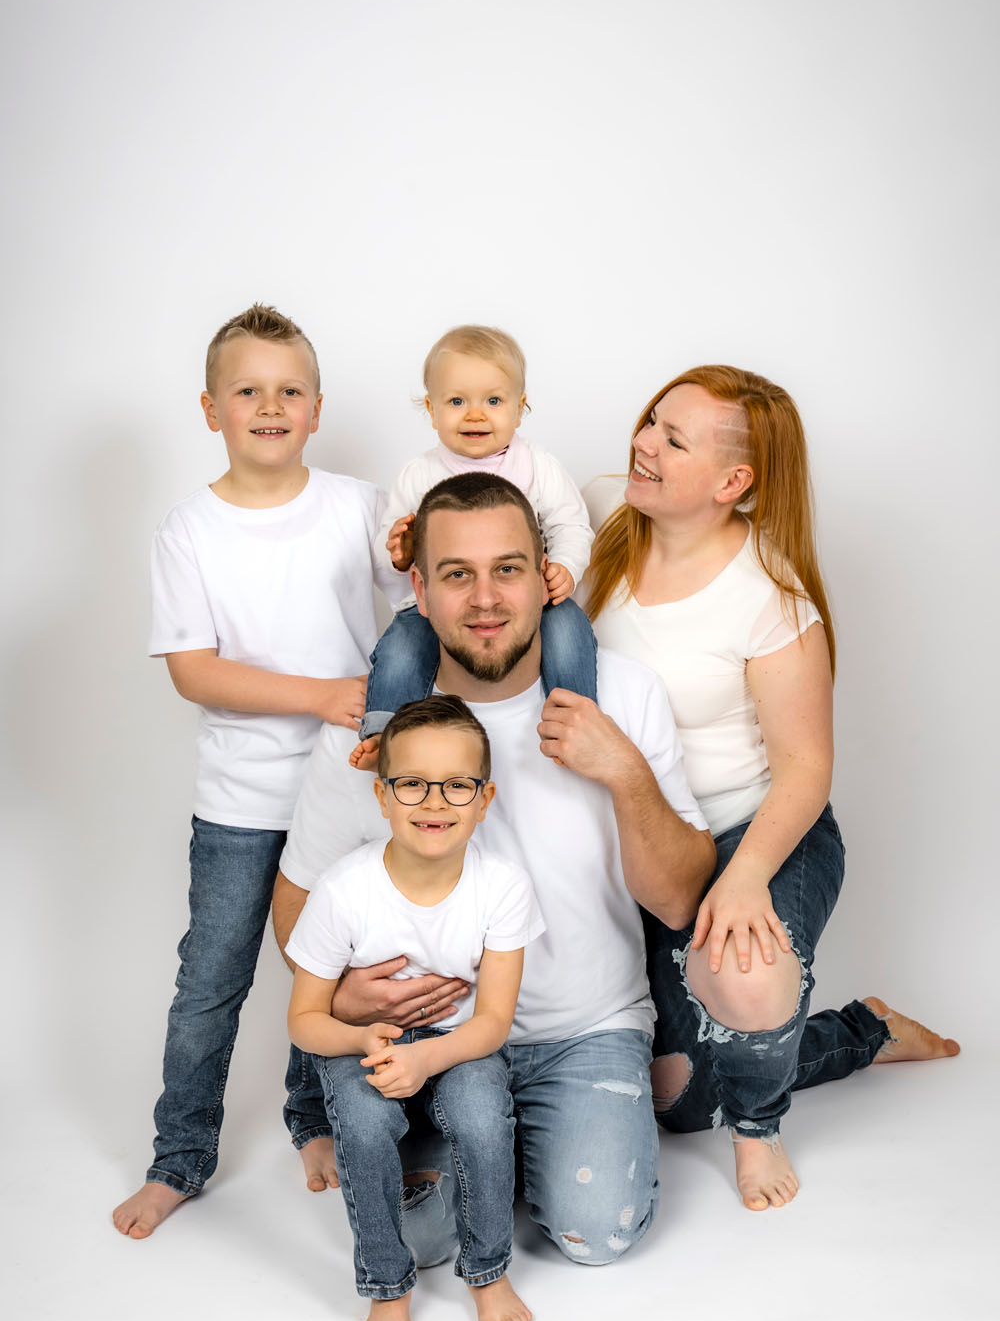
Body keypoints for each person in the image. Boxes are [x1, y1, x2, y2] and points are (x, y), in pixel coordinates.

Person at [270, 471, 717, 1265]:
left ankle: (524, 1146)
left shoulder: (621, 692)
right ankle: (486, 1150)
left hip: (584, 1030)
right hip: (431, 1041)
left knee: (597, 1233)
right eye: (456, 574)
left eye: (507, 569)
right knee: (416, 1241)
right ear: (419, 589)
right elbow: (297, 898)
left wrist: (623, 771)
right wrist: (340, 996)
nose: (485, 598)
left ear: (545, 575)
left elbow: (681, 902)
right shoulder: (373, 735)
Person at [584, 364, 960, 1212]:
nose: (642, 443)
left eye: (672, 439)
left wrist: (747, 875)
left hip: (753, 833)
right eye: (651, 420)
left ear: (732, 483)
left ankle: (765, 1122)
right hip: (644, 845)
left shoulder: (769, 596)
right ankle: (854, 1031)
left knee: (742, 988)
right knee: (673, 1099)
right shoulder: (603, 516)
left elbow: (805, 768)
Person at [112, 304, 406, 1240]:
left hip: (350, 790)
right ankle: (179, 1158)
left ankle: (312, 1119)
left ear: (318, 408)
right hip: (241, 801)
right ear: (211, 409)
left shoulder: (360, 507)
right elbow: (195, 671)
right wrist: (321, 694)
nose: (270, 407)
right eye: (248, 391)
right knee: (212, 982)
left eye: (289, 391)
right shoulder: (188, 530)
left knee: (335, 973)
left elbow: (419, 605)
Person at [287, 695, 544, 1321]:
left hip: (457, 1043)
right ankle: (386, 1289)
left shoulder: (502, 886)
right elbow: (305, 1020)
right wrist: (360, 1038)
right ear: (382, 796)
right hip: (365, 1041)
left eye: (457, 785)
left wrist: (429, 1059)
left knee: (482, 1117)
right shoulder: (343, 890)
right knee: (365, 1122)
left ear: (484, 799)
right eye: (412, 784)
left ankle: (489, 1273)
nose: (434, 802)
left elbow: (493, 1022)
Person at [353, 325, 596, 757]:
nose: (475, 415)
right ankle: (386, 732)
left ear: (520, 409)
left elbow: (571, 525)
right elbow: (387, 543)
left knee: (569, 630)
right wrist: (399, 552)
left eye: (494, 401)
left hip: (532, 596)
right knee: (402, 647)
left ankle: (575, 721)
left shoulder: (537, 465)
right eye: (457, 401)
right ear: (431, 410)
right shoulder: (419, 474)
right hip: (439, 604)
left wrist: (565, 568)